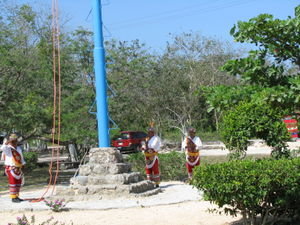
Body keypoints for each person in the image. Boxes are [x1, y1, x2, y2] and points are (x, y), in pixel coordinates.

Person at [1, 134, 26, 203]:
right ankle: (13, 198)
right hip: (11, 168)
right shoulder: (8, 148)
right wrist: (7, 142)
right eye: (13, 141)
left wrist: (23, 164)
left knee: (18, 183)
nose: (14, 142)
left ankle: (16, 196)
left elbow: (21, 157)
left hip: (18, 168)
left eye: (15, 141)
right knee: (13, 183)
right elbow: (2, 148)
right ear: (10, 141)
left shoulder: (18, 148)